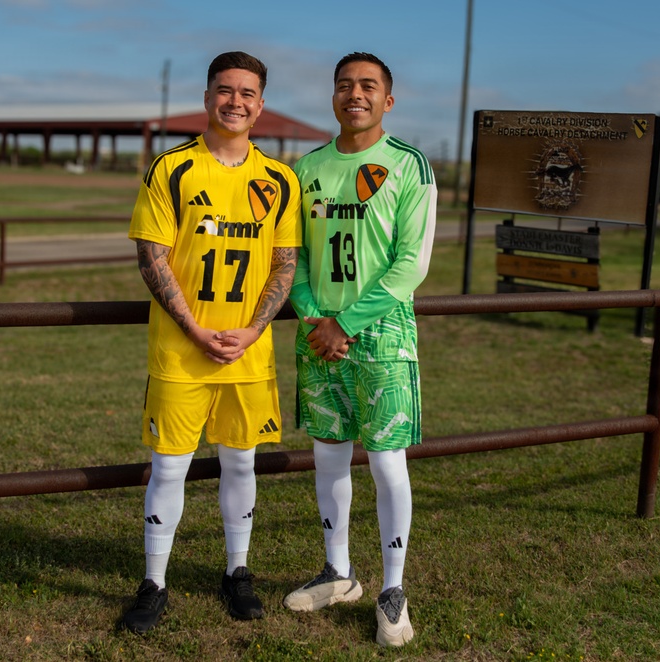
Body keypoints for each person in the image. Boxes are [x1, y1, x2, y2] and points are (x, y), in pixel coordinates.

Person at [120, 51, 301, 634]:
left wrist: (252, 330)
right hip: (181, 350)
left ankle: (236, 571)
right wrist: (194, 328)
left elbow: (283, 263)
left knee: (241, 464)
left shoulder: (280, 179)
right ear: (206, 97)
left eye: (248, 93)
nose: (236, 102)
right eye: (225, 90)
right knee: (169, 469)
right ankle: (154, 582)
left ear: (261, 105)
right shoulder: (171, 168)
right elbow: (151, 255)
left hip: (248, 354)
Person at [282, 52, 437, 648]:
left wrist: (345, 320)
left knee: (387, 463)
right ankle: (338, 571)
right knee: (327, 461)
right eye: (345, 85)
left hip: (381, 336)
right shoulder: (308, 167)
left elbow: (411, 264)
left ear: (387, 100)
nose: (356, 94)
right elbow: (292, 254)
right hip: (319, 334)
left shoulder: (408, 165)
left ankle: (393, 590)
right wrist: (312, 312)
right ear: (333, 97)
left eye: (369, 86)